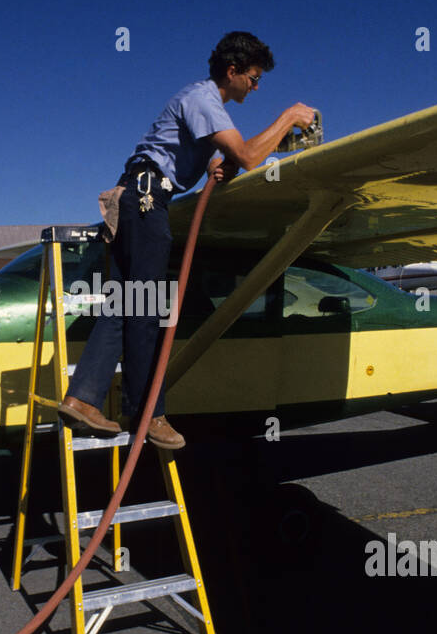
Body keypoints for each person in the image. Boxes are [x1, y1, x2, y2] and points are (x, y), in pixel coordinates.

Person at [59, 31, 315, 449]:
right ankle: (148, 415)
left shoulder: (201, 105)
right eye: (253, 78)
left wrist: (218, 165)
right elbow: (250, 156)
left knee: (128, 302)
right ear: (232, 71)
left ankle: (82, 397)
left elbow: (227, 155)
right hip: (147, 200)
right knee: (146, 312)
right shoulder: (202, 99)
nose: (255, 86)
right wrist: (287, 117)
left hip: (139, 197)